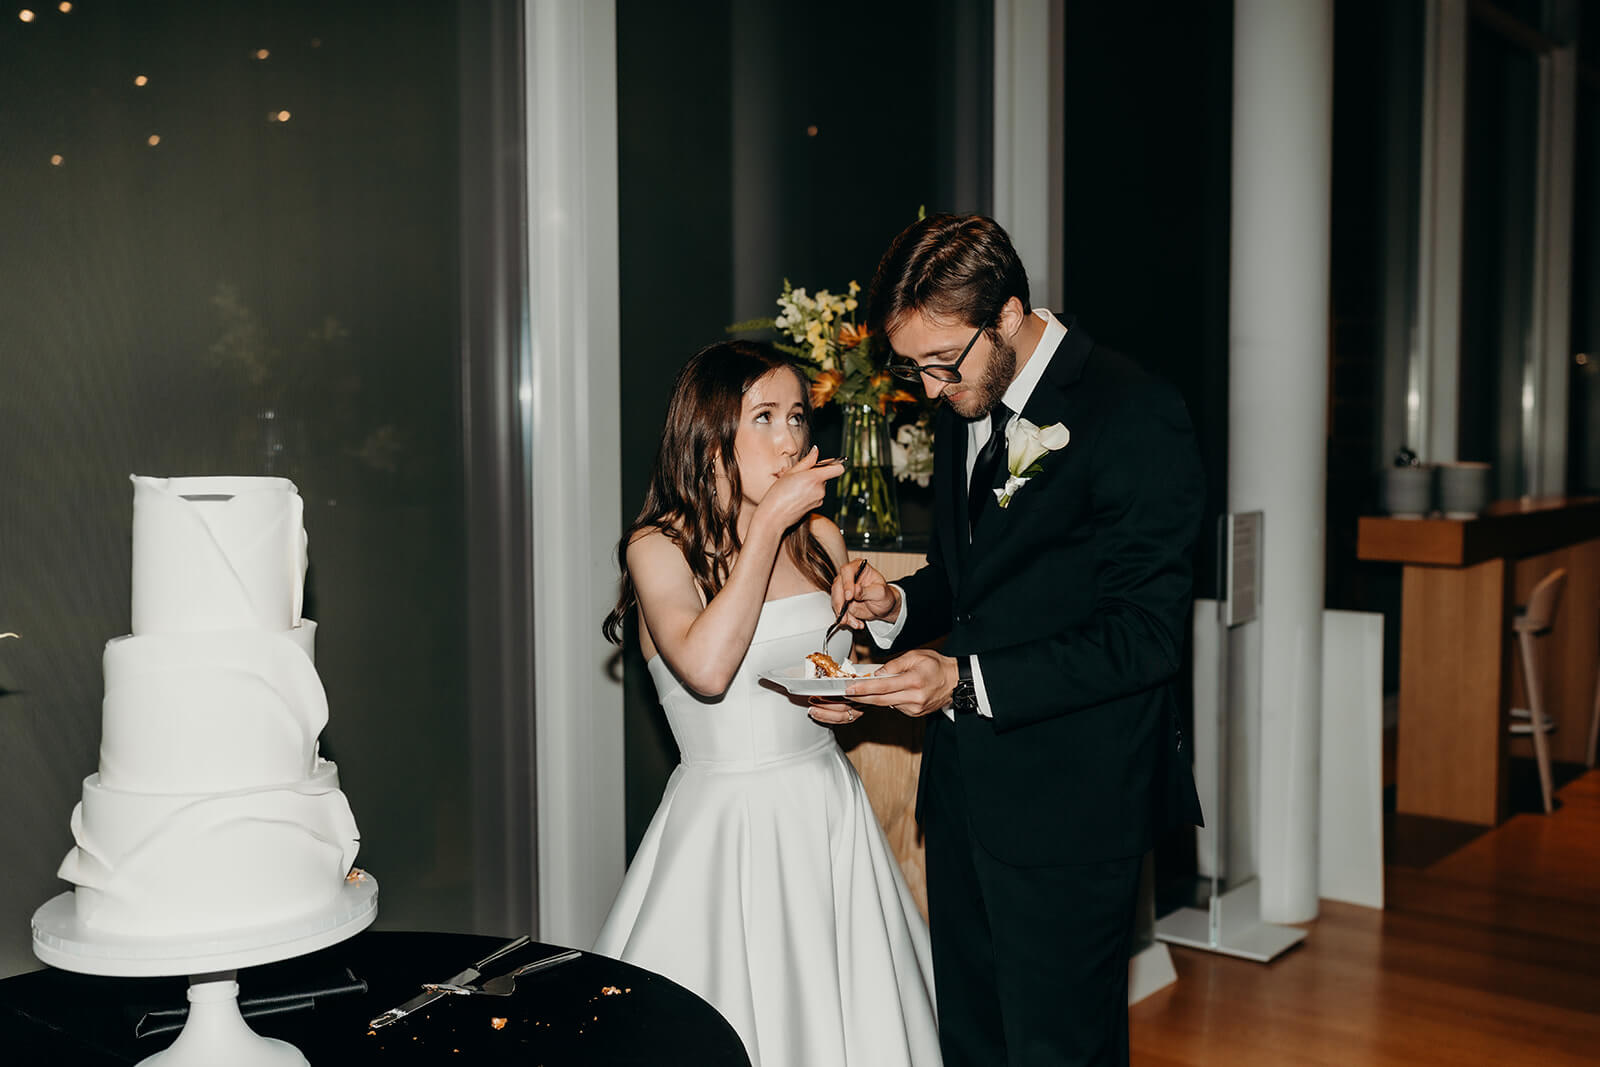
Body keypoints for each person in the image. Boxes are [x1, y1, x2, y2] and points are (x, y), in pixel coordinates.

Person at [811, 214, 1205, 1066]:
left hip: (1073, 804)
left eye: (940, 361)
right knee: (977, 1040)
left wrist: (961, 680)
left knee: (1058, 1047)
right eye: (909, 365)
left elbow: (1144, 638)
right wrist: (892, 605)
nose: (926, 387)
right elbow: (973, 582)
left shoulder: (1135, 411)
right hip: (964, 797)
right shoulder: (966, 400)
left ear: (1009, 314)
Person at [593, 340, 941, 1067]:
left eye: (799, 417)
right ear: (710, 433)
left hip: (826, 808)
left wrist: (846, 693)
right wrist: (764, 529)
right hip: (727, 826)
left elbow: (824, 669)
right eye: (764, 417)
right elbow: (710, 669)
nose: (791, 440)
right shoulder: (658, 548)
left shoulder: (820, 535)